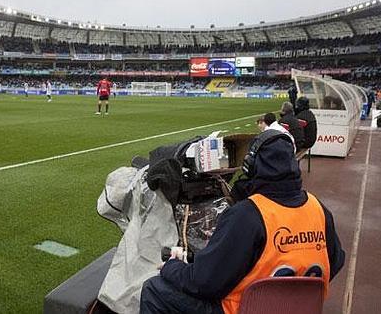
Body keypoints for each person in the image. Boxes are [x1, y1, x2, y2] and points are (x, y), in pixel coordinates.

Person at [140, 130, 345, 314]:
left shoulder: (248, 215)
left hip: (242, 309)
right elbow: (336, 261)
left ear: (251, 166)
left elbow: (204, 283)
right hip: (300, 309)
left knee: (154, 289)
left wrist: (172, 267)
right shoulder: (318, 208)